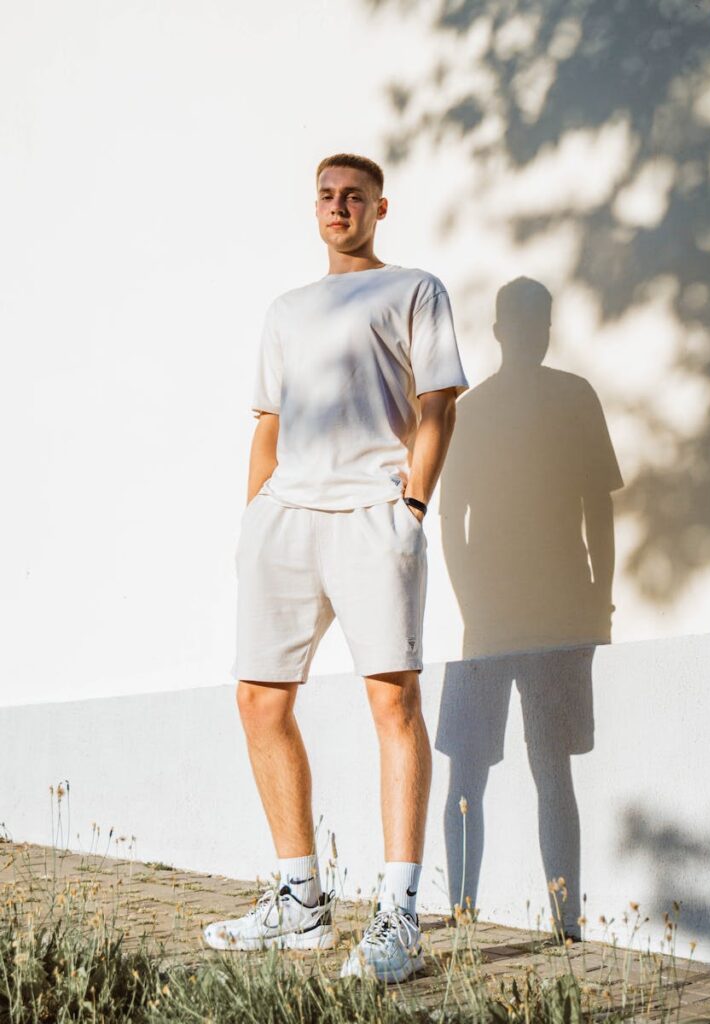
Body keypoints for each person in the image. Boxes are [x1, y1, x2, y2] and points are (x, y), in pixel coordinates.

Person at [203, 153, 469, 983]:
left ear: (379, 208)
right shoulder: (286, 308)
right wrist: (252, 525)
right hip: (284, 519)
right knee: (258, 698)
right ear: (314, 207)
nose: (337, 206)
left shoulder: (413, 289)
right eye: (325, 195)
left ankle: (398, 916)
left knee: (391, 700)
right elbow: (267, 423)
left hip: (369, 515)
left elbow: (437, 403)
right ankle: (300, 902)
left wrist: (414, 506)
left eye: (353, 196)